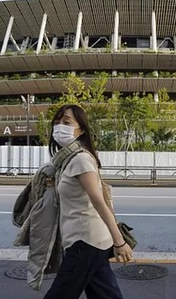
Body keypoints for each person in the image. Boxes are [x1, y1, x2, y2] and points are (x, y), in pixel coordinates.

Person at [44, 104, 132, 299]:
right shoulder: (66, 162)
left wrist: (119, 242)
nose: (60, 127)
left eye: (66, 122)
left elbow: (98, 201)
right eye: (57, 122)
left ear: (81, 129)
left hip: (84, 243)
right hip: (90, 242)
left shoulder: (80, 160)